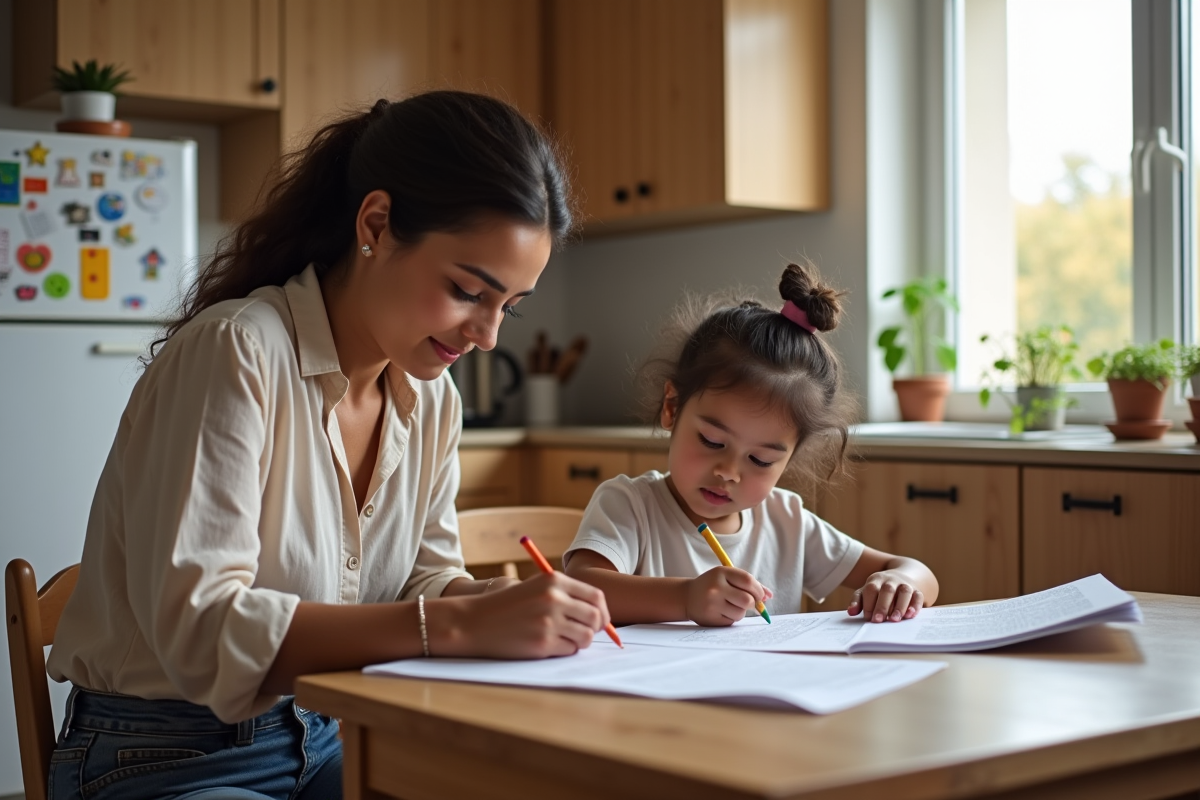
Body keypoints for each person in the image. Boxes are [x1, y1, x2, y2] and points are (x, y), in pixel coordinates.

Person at [45, 91, 611, 800]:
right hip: (164, 755)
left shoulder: (431, 399)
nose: (488, 335)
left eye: (509, 308)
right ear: (375, 223)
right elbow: (201, 633)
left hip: (340, 732)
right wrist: (456, 622)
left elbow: (424, 587)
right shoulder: (237, 352)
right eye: (469, 290)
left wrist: (494, 602)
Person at [563, 261, 939, 627]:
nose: (728, 472)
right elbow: (580, 589)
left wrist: (901, 583)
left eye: (760, 460)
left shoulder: (785, 522)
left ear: (789, 459)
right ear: (672, 408)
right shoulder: (629, 507)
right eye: (712, 441)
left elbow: (915, 572)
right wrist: (685, 599)